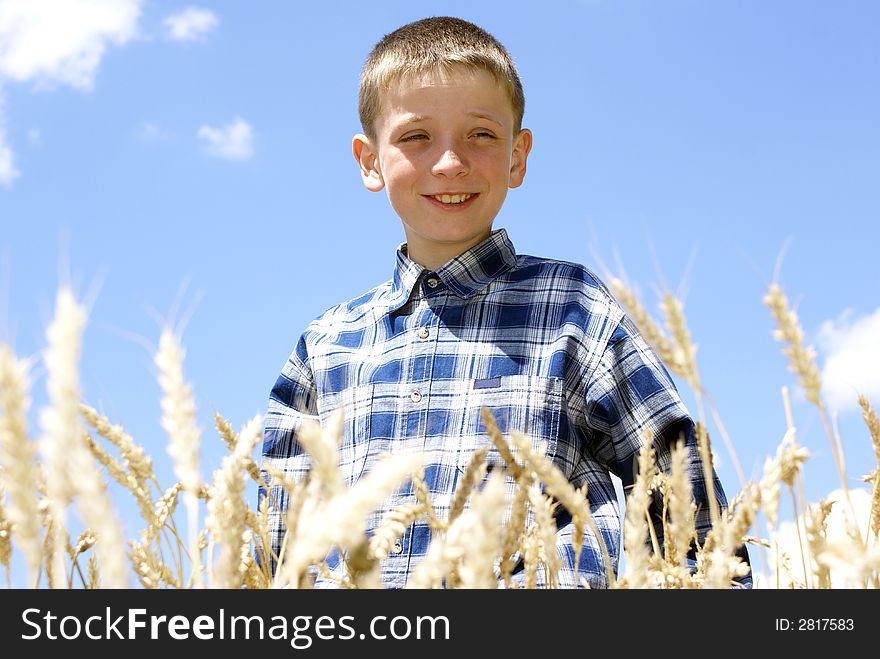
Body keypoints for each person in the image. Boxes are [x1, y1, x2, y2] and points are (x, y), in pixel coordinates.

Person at [260, 16, 751, 589]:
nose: (450, 162)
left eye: (481, 135)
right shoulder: (325, 344)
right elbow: (277, 542)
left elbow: (678, 479)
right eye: (416, 136)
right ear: (369, 161)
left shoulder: (573, 307)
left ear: (518, 157)